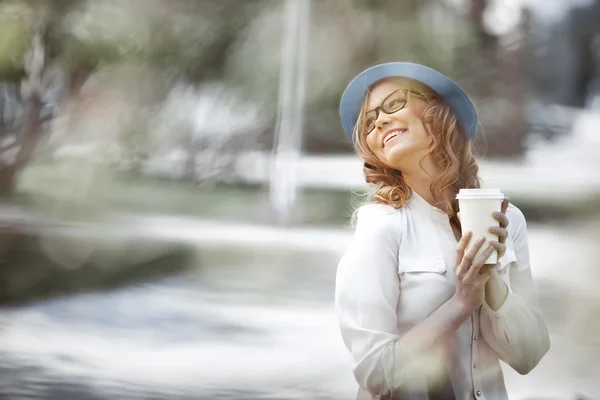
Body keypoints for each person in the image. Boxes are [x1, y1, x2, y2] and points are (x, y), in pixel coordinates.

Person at [334, 62, 550, 400]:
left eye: (393, 104)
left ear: (438, 111)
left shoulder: (509, 220)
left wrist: (490, 280)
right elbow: (375, 373)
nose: (380, 121)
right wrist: (462, 302)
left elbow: (529, 356)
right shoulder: (380, 226)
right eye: (370, 121)